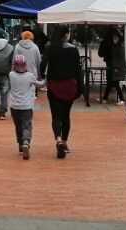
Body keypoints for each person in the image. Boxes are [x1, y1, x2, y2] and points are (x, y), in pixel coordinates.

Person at [42, 27, 81, 159]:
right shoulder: (73, 49)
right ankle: (64, 141)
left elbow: (43, 65)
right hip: (69, 85)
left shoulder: (50, 48)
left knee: (56, 115)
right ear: (66, 35)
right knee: (66, 115)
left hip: (54, 85)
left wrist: (42, 77)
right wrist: (80, 88)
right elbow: (78, 69)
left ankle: (58, 139)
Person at [8, 54, 44, 159]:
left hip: (14, 106)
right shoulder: (30, 76)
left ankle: (20, 145)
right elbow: (40, 84)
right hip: (26, 106)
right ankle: (25, 142)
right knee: (27, 125)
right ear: (25, 65)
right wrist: (47, 80)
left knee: (18, 126)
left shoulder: (11, 75)